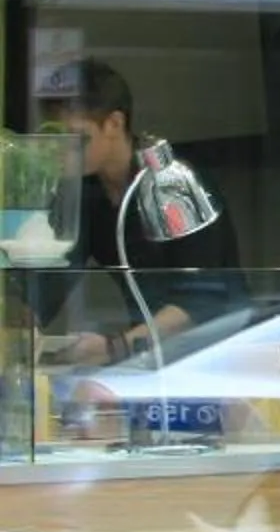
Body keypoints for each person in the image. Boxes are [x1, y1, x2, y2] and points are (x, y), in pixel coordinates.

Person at [44, 59, 243, 370]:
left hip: (218, 351)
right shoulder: (86, 192)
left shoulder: (171, 181)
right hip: (150, 353)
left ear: (114, 124)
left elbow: (203, 300)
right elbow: (52, 277)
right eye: (56, 137)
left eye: (75, 136)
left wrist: (118, 346)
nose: (62, 148)